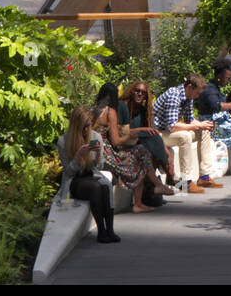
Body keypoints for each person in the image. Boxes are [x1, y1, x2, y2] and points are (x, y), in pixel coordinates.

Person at [57, 106, 119, 243]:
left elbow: (99, 167)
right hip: (74, 179)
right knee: (95, 187)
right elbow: (68, 171)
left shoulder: (96, 137)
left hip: (90, 174)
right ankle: (101, 231)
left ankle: (110, 230)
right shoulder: (63, 141)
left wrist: (97, 154)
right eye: (83, 127)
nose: (86, 130)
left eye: (88, 126)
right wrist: (78, 156)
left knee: (105, 185)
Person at [152, 74, 221, 193]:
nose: (198, 96)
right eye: (197, 93)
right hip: (157, 133)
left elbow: (190, 120)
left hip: (168, 131)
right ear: (189, 87)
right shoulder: (174, 94)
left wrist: (203, 124)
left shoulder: (188, 97)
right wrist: (196, 125)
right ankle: (186, 181)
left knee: (203, 131)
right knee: (185, 136)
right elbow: (172, 126)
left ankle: (204, 176)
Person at [112, 80, 177, 187]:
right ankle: (170, 175)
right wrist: (142, 130)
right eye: (137, 91)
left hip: (139, 143)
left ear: (146, 96)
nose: (140, 94)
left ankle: (161, 181)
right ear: (131, 92)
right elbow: (121, 133)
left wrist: (167, 151)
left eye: (143, 92)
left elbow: (151, 132)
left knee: (155, 146)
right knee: (152, 146)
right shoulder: (122, 106)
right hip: (124, 144)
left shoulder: (143, 111)